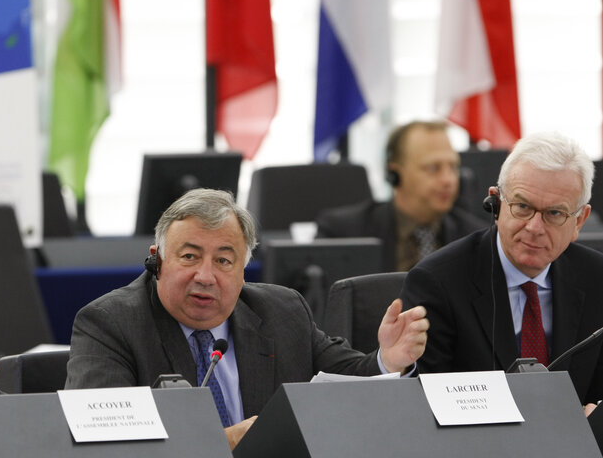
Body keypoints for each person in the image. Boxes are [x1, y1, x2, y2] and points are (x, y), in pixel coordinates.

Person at [65, 188, 429, 449]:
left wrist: (387, 362)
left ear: (243, 272)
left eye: (224, 261)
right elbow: (106, 444)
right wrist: (221, 443)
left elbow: (346, 380)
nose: (205, 276)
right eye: (190, 257)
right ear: (156, 260)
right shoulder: (109, 324)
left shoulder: (281, 311)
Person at [400, 132, 603, 413]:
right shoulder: (438, 282)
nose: (534, 227)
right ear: (496, 204)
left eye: (555, 214)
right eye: (522, 207)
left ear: (579, 220)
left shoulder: (596, 279)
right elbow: (423, 405)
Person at [316, 121, 485, 271]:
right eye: (433, 168)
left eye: (453, 167)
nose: (448, 180)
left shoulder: (478, 240)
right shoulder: (343, 233)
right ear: (394, 174)